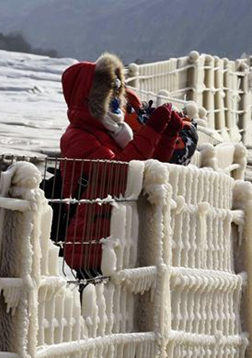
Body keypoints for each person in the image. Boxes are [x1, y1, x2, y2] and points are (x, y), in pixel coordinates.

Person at [58, 52, 183, 276]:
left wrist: (167, 135)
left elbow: (147, 170)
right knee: (95, 308)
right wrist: (152, 130)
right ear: (89, 97)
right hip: (92, 244)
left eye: (117, 90)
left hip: (117, 238)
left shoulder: (115, 134)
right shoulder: (78, 137)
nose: (116, 97)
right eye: (108, 92)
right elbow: (120, 173)